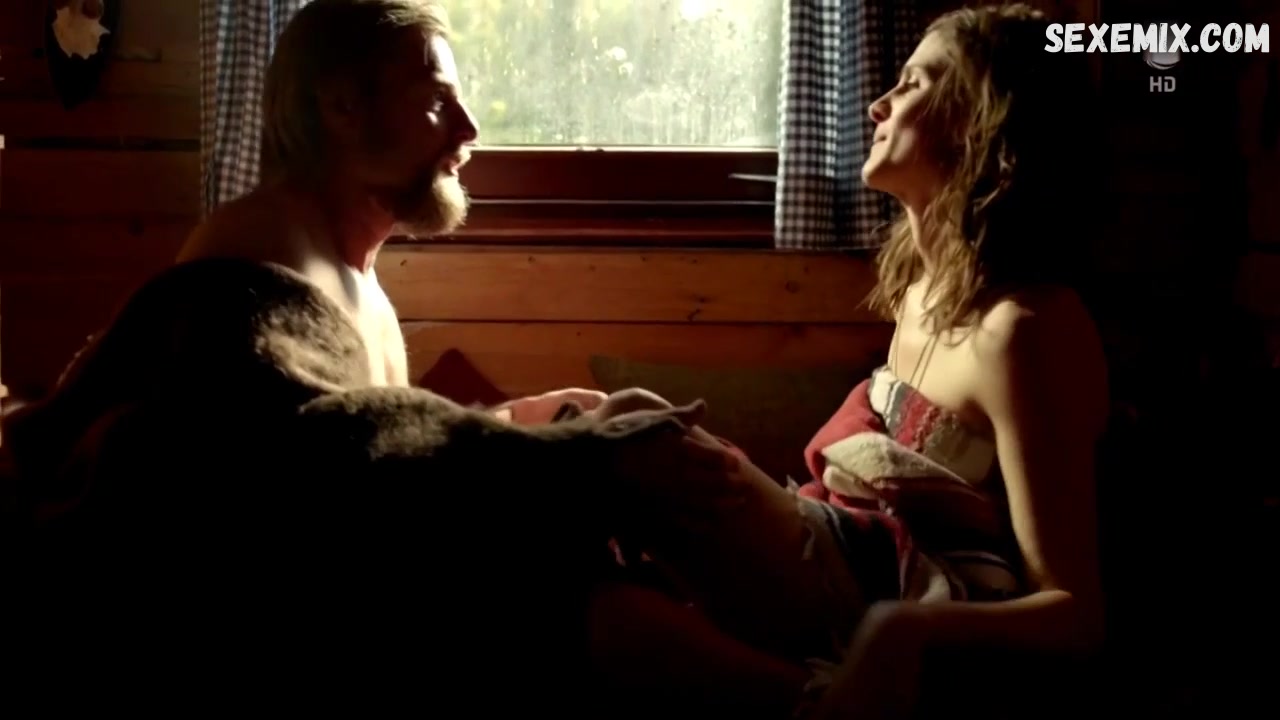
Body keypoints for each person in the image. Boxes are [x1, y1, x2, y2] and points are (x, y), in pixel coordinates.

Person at [582, 5, 1110, 719]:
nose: (878, 103)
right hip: (847, 551)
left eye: (914, 83)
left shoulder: (1025, 330)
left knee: (636, 428)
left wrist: (903, 628)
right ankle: (812, 699)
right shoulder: (921, 295)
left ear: (982, 121)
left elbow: (1075, 613)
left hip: (908, 592)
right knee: (610, 606)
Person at [177, 0, 604, 423]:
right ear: (343, 107)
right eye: (437, 99)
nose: (469, 128)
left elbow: (371, 448)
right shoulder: (257, 258)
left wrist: (518, 419)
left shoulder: (357, 279)